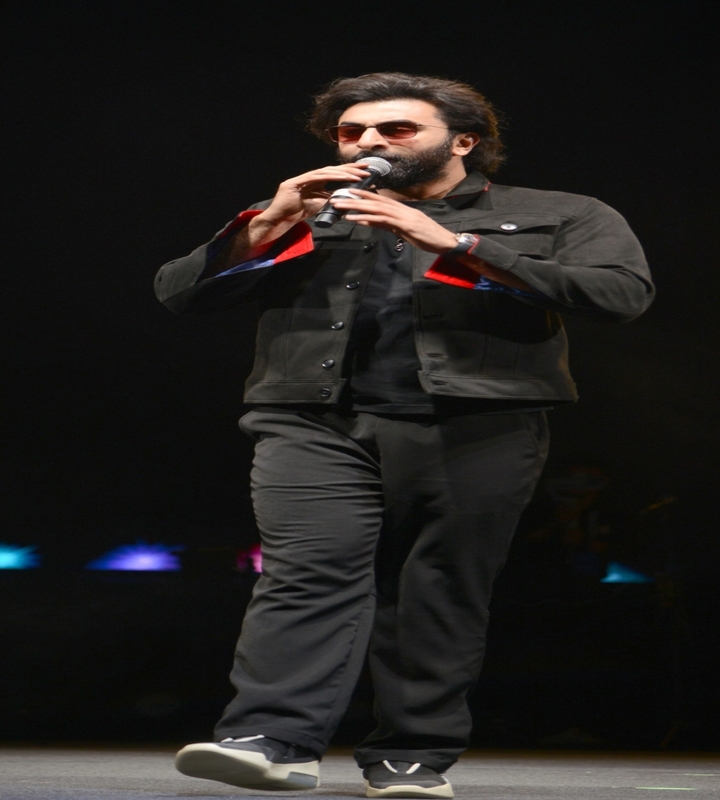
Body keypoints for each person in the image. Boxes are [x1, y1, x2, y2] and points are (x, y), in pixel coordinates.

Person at [155, 72, 653, 798]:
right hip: (312, 422)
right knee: (304, 573)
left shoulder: (558, 211)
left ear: (464, 141)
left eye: (395, 129)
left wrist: (460, 244)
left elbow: (622, 294)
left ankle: (412, 756)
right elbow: (177, 292)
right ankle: (270, 740)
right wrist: (269, 223)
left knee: (438, 586)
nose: (368, 142)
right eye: (351, 132)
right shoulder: (308, 212)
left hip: (477, 423)